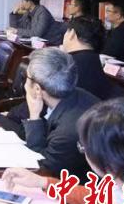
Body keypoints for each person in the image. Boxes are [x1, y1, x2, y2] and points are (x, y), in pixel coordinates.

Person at [21, 48, 99, 181]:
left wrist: (34, 116)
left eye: (26, 78)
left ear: (38, 89)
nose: (24, 84)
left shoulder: (67, 134)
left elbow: (41, 166)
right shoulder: (76, 93)